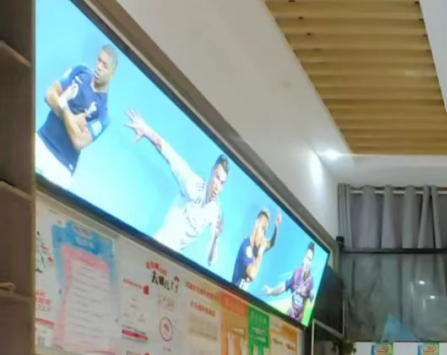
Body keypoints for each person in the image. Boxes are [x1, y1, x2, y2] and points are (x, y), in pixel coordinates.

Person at [125, 110, 227, 265]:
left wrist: (216, 239)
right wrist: (146, 130)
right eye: (217, 178)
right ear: (212, 172)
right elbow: (170, 155)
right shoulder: (193, 184)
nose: (218, 186)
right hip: (156, 248)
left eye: (222, 183)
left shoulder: (214, 211)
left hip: (172, 263)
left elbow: (210, 260)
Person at [35, 45, 119, 188]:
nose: (98, 67)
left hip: (61, 168)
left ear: (112, 74)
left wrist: (63, 104)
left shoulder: (104, 115)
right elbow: (49, 95)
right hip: (40, 141)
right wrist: (73, 121)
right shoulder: (79, 71)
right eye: (99, 60)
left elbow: (79, 141)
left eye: (105, 65)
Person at [264, 242, 316, 321]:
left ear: (311, 262)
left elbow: (313, 301)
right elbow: (283, 287)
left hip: (298, 323)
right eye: (306, 258)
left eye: (310, 260)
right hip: (288, 317)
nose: (307, 262)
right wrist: (271, 291)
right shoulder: (296, 273)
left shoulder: (310, 281)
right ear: (304, 258)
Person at [232, 209, 281, 290]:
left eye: (264, 232)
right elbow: (252, 275)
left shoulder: (257, 248)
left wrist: (276, 228)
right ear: (256, 224)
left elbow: (271, 243)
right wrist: (260, 253)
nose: (263, 236)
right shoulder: (246, 246)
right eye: (262, 229)